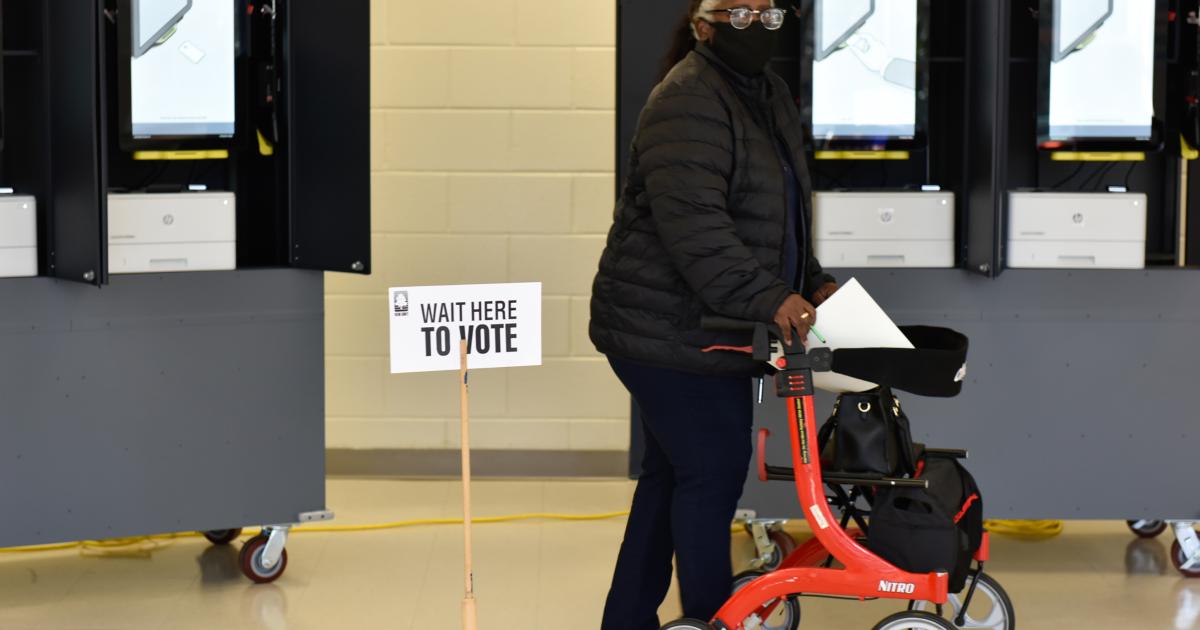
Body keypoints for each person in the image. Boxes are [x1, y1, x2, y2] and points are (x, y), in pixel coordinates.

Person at [589, 1, 839, 627]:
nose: (759, 28)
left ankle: (628, 620)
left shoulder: (765, 92)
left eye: (769, 16)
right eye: (741, 15)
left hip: (701, 325)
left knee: (672, 477)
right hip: (669, 330)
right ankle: (713, 618)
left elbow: (780, 211)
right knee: (710, 473)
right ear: (704, 26)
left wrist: (810, 279)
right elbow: (698, 230)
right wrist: (770, 298)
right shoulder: (688, 98)